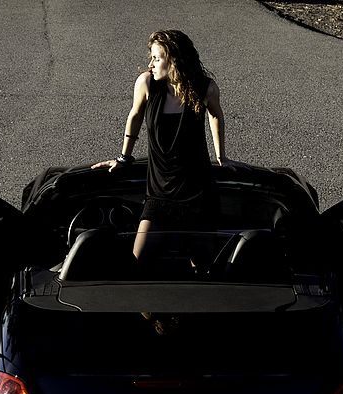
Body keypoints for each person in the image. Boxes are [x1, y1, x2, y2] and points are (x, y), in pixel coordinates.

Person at [92, 29, 247, 268]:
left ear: (173, 60)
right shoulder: (146, 84)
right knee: (138, 264)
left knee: (204, 268)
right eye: (151, 58)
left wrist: (221, 157)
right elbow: (134, 115)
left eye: (156, 58)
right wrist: (123, 157)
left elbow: (216, 115)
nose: (150, 64)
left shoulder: (205, 88)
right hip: (159, 194)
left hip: (197, 193)